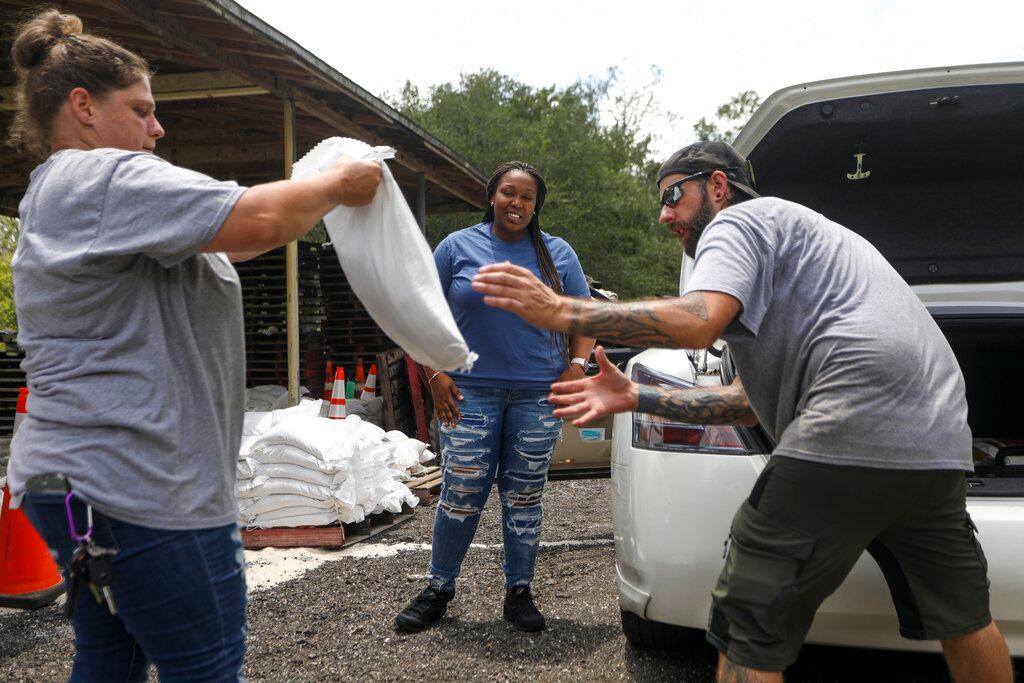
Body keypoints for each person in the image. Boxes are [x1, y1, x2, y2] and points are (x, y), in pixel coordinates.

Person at [471, 141, 1012, 681]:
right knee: (964, 616)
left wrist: (561, 308)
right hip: (936, 444)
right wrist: (638, 398)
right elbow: (746, 405)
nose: (664, 215)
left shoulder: (739, 223)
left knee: (745, 623)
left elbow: (702, 316)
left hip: (849, 417)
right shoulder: (801, 258)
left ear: (718, 186)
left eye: (673, 195)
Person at [6, 10, 381, 681]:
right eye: (142, 110)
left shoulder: (66, 193)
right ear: (83, 107)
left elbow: (244, 233)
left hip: (74, 482)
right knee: (205, 667)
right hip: (143, 486)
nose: (158, 127)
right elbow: (261, 214)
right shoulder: (103, 178)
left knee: (110, 654)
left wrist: (310, 198)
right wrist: (340, 185)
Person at [394, 161, 595, 634]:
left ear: (536, 206)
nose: (517, 203)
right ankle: (439, 588)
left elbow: (583, 316)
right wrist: (435, 372)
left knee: (524, 496)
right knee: (461, 495)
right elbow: (420, 313)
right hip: (468, 393)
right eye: (509, 193)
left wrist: (576, 365)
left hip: (538, 398)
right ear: (492, 196)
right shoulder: (456, 247)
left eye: (527, 197)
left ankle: (518, 592)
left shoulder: (557, 253)